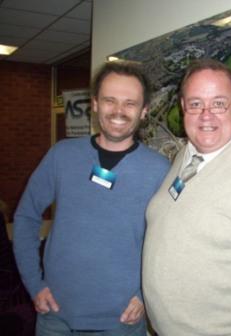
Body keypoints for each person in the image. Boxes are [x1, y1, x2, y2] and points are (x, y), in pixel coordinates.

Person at [13, 61, 170, 335]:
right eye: (110, 100)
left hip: (121, 322)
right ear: (95, 104)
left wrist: (145, 296)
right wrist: (34, 285)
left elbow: (170, 242)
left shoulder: (159, 170)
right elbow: (26, 217)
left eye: (130, 103)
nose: (118, 111)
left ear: (144, 111)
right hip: (55, 317)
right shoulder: (61, 156)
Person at [142, 58, 231, 335]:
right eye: (195, 104)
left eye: (218, 103)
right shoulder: (186, 154)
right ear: (183, 107)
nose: (206, 115)